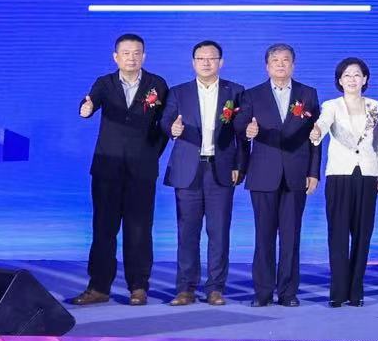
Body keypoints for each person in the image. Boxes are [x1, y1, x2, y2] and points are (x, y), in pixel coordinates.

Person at [72, 33, 169, 306]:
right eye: (126, 53)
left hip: (142, 170)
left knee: (139, 230)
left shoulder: (157, 84)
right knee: (104, 229)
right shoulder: (105, 83)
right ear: (116, 57)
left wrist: (150, 154)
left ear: (144, 56)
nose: (131, 58)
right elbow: (89, 102)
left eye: (137, 53)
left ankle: (138, 287)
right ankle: (98, 287)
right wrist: (86, 109)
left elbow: (164, 125)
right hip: (107, 169)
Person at [159, 39, 245, 306]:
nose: (206, 63)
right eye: (201, 58)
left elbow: (242, 134)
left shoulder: (235, 91)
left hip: (221, 169)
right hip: (188, 170)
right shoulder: (179, 92)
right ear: (193, 62)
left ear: (221, 62)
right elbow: (165, 120)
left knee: (219, 232)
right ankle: (185, 288)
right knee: (187, 232)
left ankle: (215, 288)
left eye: (211, 58)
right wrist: (171, 129)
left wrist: (239, 166)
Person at [238, 43, 320, 307]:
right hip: (263, 174)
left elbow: (315, 137)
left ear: (293, 65)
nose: (281, 64)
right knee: (263, 237)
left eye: (286, 60)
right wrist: (247, 132)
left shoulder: (307, 94)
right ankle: (262, 292)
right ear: (267, 66)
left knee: (291, 237)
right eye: (275, 60)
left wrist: (313, 172)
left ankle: (288, 292)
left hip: (296, 174)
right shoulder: (252, 95)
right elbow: (240, 129)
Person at [311, 57, 378, 308]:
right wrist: (317, 132)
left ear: (365, 79)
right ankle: (338, 292)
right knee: (338, 234)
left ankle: (356, 291)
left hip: (367, 174)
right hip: (339, 175)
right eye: (347, 75)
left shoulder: (375, 107)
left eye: (357, 75)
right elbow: (322, 123)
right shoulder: (331, 105)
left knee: (363, 235)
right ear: (340, 81)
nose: (352, 79)